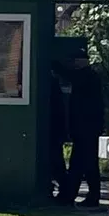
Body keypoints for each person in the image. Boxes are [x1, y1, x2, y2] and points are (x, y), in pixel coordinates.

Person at [65, 55, 105, 207]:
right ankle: (70, 195)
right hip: (85, 129)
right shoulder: (89, 76)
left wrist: (56, 66)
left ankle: (91, 197)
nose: (74, 63)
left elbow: (71, 77)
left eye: (76, 60)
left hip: (87, 129)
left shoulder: (88, 76)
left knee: (88, 164)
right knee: (79, 164)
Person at [48, 61, 69, 202]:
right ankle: (63, 188)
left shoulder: (51, 85)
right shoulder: (55, 85)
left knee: (56, 160)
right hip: (57, 128)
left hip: (53, 129)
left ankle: (63, 189)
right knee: (57, 160)